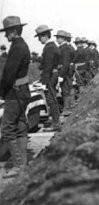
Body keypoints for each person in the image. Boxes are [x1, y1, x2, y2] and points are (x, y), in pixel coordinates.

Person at [0, 16, 31, 178]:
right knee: (20, 127)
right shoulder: (22, 45)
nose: (5, 36)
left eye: (7, 33)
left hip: (14, 93)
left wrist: (1, 93)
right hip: (23, 91)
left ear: (13, 32)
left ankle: (18, 165)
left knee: (7, 129)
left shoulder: (17, 47)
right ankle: (23, 164)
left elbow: (9, 74)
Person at [35, 25, 61, 132]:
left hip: (50, 75)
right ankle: (55, 121)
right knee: (52, 99)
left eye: (40, 37)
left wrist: (44, 82)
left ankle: (56, 124)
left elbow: (48, 66)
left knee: (51, 99)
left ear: (45, 36)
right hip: (52, 74)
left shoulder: (49, 47)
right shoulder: (52, 46)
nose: (38, 39)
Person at [55, 30, 75, 112]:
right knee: (66, 89)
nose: (56, 40)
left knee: (65, 90)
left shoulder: (65, 48)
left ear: (63, 39)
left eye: (58, 38)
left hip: (64, 72)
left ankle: (67, 109)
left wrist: (61, 76)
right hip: (65, 72)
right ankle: (68, 107)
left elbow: (65, 63)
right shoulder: (63, 47)